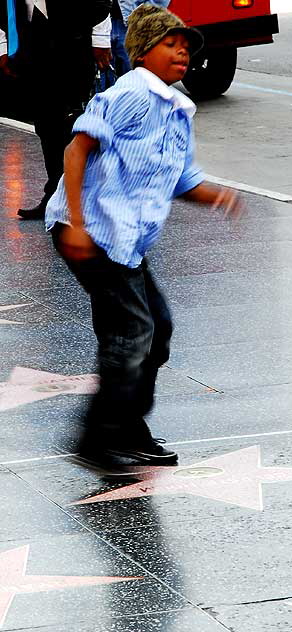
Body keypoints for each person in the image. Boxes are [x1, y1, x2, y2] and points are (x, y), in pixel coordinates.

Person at [45, 3, 242, 473]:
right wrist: (75, 221)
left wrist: (217, 196)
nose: (183, 55)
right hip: (93, 231)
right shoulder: (132, 93)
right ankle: (95, 439)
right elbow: (76, 150)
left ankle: (127, 425)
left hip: (124, 240)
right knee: (133, 333)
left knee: (155, 331)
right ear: (143, 53)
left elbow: (181, 179)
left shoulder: (174, 109)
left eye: (186, 48)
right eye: (171, 45)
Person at [0, 0, 113, 220]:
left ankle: (79, 198)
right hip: (30, 43)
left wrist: (100, 39)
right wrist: (3, 47)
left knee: (69, 123)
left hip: (73, 42)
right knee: (45, 124)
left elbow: (100, 2)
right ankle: (55, 195)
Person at [110, 0, 171, 78]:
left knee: (133, 74)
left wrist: (141, 15)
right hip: (102, 24)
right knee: (102, 75)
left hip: (130, 27)